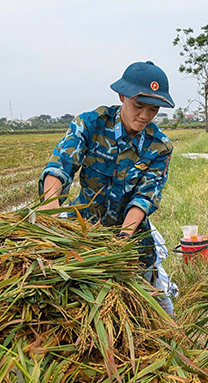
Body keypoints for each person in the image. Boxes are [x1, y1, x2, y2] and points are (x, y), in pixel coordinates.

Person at [38, 60, 177, 312]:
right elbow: (60, 168)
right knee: (74, 307)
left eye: (154, 109)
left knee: (158, 312)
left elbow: (144, 198)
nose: (145, 115)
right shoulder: (90, 125)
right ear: (122, 95)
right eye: (139, 105)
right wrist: (52, 217)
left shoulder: (160, 146)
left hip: (131, 240)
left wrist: (122, 241)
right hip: (83, 234)